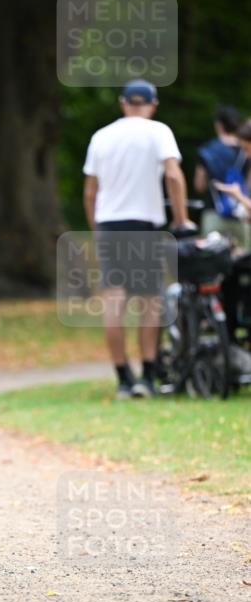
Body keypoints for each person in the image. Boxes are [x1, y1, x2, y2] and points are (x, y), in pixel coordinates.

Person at [83, 79, 193, 399]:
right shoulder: (158, 132)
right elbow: (173, 174)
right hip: (142, 224)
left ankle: (122, 378)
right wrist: (181, 218)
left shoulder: (101, 137)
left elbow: (91, 192)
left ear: (122, 103)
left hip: (107, 225)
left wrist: (95, 228)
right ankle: (147, 376)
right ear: (153, 104)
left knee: (114, 302)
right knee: (150, 302)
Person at [195, 104, 251, 249]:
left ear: (218, 125)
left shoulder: (207, 149)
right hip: (241, 215)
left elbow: (199, 185)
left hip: (213, 213)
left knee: (211, 262)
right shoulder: (243, 150)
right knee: (242, 262)